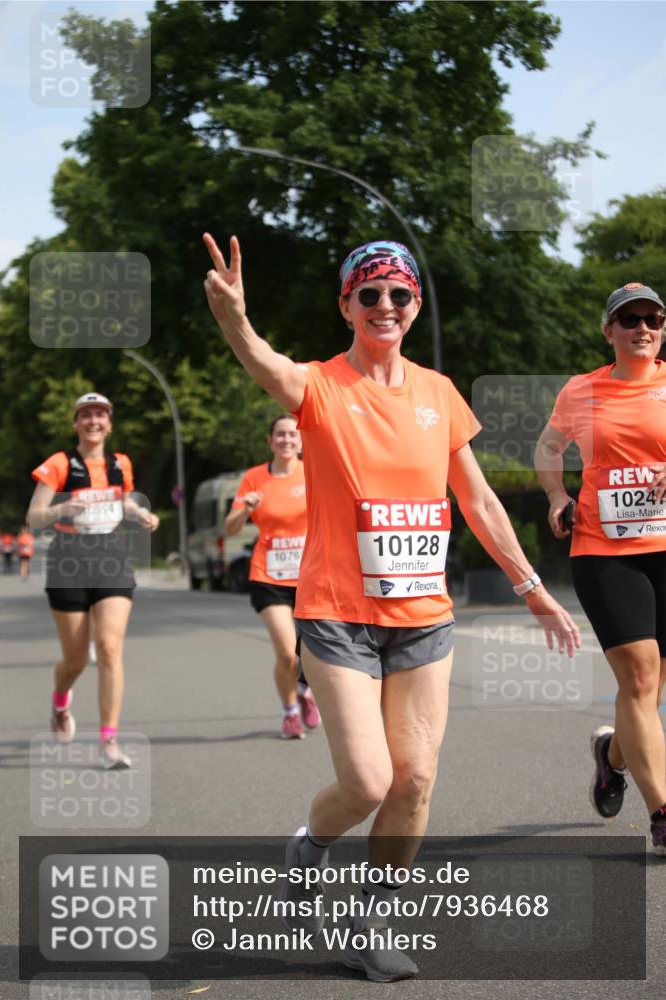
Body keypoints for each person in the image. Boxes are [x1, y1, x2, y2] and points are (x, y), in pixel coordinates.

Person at [204, 234, 580, 981]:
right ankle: (307, 850)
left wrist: (531, 586)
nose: (384, 304)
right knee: (368, 782)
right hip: (337, 615)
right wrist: (236, 321)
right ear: (346, 304)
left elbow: (475, 500)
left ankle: (367, 921)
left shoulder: (438, 395)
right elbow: (264, 363)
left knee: (414, 779)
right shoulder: (318, 386)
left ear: (412, 307)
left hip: (423, 621)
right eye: (368, 292)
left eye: (398, 293)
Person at [535, 282, 666, 857]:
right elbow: (547, 449)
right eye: (629, 319)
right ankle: (663, 813)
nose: (643, 328)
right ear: (608, 330)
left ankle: (612, 755)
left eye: (653, 318)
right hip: (605, 549)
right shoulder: (582, 390)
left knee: (654, 686)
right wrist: (556, 497)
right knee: (638, 679)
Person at [27, 392, 159, 769]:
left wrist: (141, 514)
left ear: (110, 423)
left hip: (112, 559)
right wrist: (63, 507)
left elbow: (124, 501)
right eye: (86, 415)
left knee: (109, 648)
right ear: (76, 424)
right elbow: (34, 516)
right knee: (74, 659)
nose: (93, 421)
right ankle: (60, 700)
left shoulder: (121, 463)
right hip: (68, 560)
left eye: (100, 415)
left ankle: (109, 741)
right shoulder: (59, 464)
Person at [224, 414, 320, 739]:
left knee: (313, 652)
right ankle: (290, 710)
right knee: (285, 651)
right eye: (280, 435)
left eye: (293, 435)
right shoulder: (254, 478)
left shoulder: (313, 470)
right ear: (270, 441)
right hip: (269, 575)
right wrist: (244, 509)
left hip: (311, 575)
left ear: (301, 440)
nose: (286, 440)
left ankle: (306, 691)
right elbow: (230, 526)